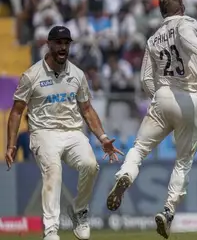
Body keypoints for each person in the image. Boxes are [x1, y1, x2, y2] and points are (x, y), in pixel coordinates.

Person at [105, 0, 197, 239]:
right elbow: (186, 37)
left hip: (163, 96)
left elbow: (145, 78)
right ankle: (168, 210)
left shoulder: (153, 38)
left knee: (138, 148)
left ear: (162, 12)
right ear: (181, 7)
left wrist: (157, 98)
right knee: (183, 161)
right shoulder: (186, 23)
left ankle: (125, 174)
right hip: (189, 98)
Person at [4, 26, 123, 240]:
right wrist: (11, 145)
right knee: (53, 170)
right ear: (48, 44)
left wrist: (103, 138)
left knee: (90, 165)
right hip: (43, 132)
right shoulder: (31, 75)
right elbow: (16, 112)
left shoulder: (77, 74)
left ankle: (79, 211)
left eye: (66, 43)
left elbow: (87, 109)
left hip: (72, 131)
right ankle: (51, 230)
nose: (63, 47)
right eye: (58, 43)